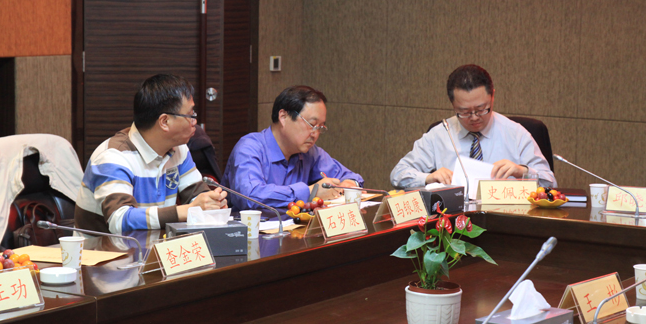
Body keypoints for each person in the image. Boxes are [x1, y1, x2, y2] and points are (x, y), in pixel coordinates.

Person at [75, 74, 227, 234]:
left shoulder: (178, 148)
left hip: (155, 246)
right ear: (164, 122)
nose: (195, 122)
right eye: (190, 116)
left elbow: (196, 196)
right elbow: (119, 220)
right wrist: (186, 211)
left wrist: (211, 203)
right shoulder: (113, 157)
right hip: (105, 249)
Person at [390, 64, 556, 189]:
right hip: (453, 221)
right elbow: (398, 174)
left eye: (481, 109)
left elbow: (550, 182)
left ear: (492, 96)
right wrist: (428, 178)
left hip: (505, 219)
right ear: (453, 105)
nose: (474, 117)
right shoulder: (440, 134)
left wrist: (523, 171)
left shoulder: (515, 133)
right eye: (464, 112)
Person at [222, 85, 363, 210]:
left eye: (320, 127)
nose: (315, 134)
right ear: (283, 117)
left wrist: (349, 184)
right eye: (312, 124)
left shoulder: (310, 152)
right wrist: (310, 192)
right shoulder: (249, 148)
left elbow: (351, 177)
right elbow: (250, 196)